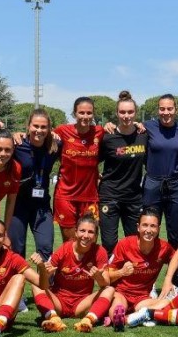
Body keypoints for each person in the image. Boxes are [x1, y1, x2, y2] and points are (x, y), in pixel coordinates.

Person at [32, 215, 115, 333]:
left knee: (110, 289)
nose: (86, 236)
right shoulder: (63, 250)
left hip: (82, 304)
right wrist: (45, 274)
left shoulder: (99, 251)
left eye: (91, 232)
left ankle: (88, 321)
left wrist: (98, 277)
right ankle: (54, 319)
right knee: (35, 285)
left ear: (96, 236)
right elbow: (43, 285)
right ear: (75, 232)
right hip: (59, 303)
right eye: (82, 231)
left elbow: (105, 283)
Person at [106, 208, 176, 327]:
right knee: (118, 306)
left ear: (158, 229)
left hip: (142, 297)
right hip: (121, 292)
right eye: (145, 225)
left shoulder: (164, 247)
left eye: (153, 226)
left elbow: (176, 258)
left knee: (167, 303)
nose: (148, 230)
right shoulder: (124, 244)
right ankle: (118, 318)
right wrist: (121, 272)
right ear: (138, 227)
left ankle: (131, 317)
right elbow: (107, 277)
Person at [98, 91, 148, 253]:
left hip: (134, 198)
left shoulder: (143, 135)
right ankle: (112, 278)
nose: (126, 116)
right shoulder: (107, 137)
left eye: (130, 112)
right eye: (122, 112)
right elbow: (91, 162)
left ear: (136, 113)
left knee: (134, 244)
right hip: (109, 196)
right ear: (116, 113)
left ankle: (131, 278)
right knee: (110, 243)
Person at [10, 108, 61, 261]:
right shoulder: (17, 145)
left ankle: (44, 285)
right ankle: (16, 284)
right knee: (16, 250)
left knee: (46, 248)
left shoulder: (56, 145)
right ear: (28, 126)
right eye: (35, 126)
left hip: (42, 206)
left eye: (43, 127)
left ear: (49, 129)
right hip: (18, 205)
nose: (39, 130)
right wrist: (14, 134)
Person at [54, 97, 105, 241]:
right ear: (74, 113)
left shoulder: (100, 132)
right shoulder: (62, 131)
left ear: (93, 114)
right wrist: (18, 134)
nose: (85, 116)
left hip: (90, 197)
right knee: (70, 242)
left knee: (90, 240)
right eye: (81, 113)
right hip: (66, 196)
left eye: (89, 113)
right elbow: (40, 135)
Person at [142, 94, 178, 248]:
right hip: (152, 184)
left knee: (175, 232)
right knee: (149, 229)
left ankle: (174, 269)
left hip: (176, 185)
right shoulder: (147, 126)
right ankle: (147, 267)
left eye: (169, 108)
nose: (166, 112)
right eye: (162, 109)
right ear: (158, 110)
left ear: (176, 110)